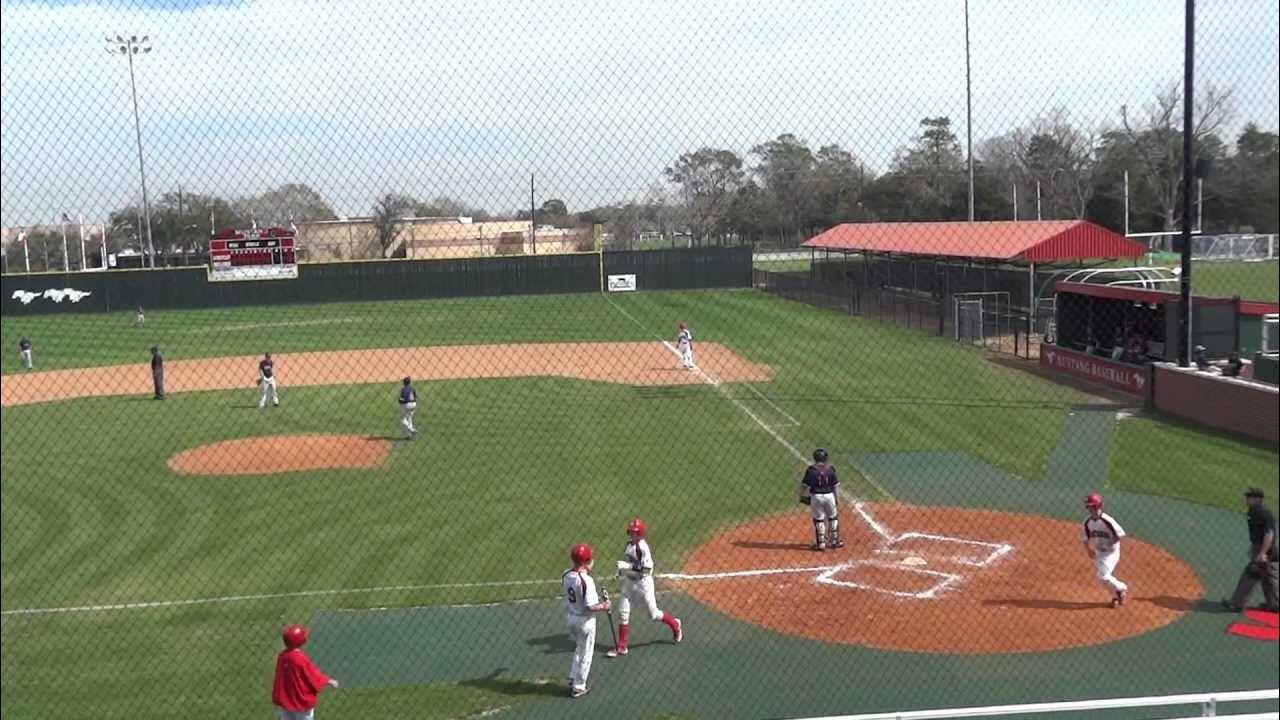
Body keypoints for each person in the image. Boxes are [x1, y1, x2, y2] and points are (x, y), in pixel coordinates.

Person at [606, 518, 683, 658]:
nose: (631, 535)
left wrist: (627, 566)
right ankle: (622, 647)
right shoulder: (629, 545)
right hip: (629, 582)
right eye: (630, 532)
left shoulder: (643, 548)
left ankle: (675, 624)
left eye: (634, 532)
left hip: (643, 584)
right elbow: (629, 564)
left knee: (653, 614)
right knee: (623, 612)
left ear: (640, 533)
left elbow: (646, 570)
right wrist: (620, 572)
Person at [562, 544, 610, 698]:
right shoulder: (586, 580)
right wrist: (605, 605)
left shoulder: (566, 574)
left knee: (579, 648)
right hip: (584, 621)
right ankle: (579, 686)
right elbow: (591, 606)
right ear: (586, 561)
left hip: (570, 618)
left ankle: (573, 676)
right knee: (586, 653)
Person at [1222, 488, 1279, 613]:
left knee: (1251, 574)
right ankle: (1275, 605)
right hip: (1260, 547)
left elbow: (1269, 533)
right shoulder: (1253, 511)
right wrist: (1253, 547)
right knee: (1267, 577)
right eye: (1248, 496)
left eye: (1250, 497)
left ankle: (1236, 603)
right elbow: (1258, 533)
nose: (1247, 499)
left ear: (1258, 499)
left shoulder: (1262, 513)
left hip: (1265, 548)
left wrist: (1262, 552)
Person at [272, 624, 339, 719]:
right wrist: (329, 681)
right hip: (301, 702)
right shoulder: (301, 658)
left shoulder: (282, 656)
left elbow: (280, 678)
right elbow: (313, 674)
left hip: (287, 700)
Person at [1082, 493, 1129, 607]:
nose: (1089, 509)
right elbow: (1085, 538)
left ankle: (1122, 587)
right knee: (1103, 578)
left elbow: (1120, 535)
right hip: (1099, 553)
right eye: (1088, 506)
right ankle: (1116, 595)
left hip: (1111, 553)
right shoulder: (1087, 522)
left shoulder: (1108, 520)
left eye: (1091, 506)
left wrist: (1109, 544)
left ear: (1097, 506)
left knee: (1102, 576)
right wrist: (1089, 550)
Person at [800, 448, 843, 551]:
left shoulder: (811, 470)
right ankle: (834, 541)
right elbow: (835, 486)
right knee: (833, 517)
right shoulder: (830, 469)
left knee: (819, 519)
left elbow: (804, 486)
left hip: (816, 497)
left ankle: (821, 543)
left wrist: (801, 496)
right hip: (829, 496)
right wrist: (837, 499)